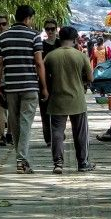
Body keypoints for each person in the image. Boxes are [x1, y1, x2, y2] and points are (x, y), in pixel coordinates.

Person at [0, 4, 48, 175]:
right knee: (25, 123)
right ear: (27, 19)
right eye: (32, 19)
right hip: (30, 86)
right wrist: (44, 86)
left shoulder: (3, 37)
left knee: (15, 123)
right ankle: (21, 160)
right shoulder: (34, 36)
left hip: (10, 87)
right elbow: (39, 63)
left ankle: (21, 159)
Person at [43, 25, 94, 174]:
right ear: (75, 39)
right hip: (77, 99)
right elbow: (90, 78)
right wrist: (80, 80)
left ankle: (58, 163)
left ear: (60, 37)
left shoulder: (51, 56)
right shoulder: (80, 56)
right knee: (80, 133)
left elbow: (44, 77)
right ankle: (83, 163)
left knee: (57, 132)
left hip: (57, 99)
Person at [39, 18, 61, 147]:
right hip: (45, 81)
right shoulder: (41, 45)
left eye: (52, 28)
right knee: (45, 111)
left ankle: (58, 134)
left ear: (56, 29)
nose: (50, 31)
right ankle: (48, 138)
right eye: (48, 29)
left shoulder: (61, 44)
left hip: (60, 80)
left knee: (59, 111)